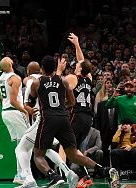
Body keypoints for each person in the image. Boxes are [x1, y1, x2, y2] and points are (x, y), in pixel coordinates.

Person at [29, 55, 119, 188]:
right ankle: (104, 170)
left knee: (38, 154)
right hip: (65, 119)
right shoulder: (64, 81)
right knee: (73, 153)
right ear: (55, 67)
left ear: (42, 69)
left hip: (48, 119)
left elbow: (32, 99)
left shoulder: (36, 82)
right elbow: (72, 102)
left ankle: (54, 176)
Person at [15, 61, 78, 188]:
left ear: (28, 72)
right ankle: (68, 172)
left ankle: (30, 179)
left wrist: (30, 110)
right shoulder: (53, 79)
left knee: (21, 149)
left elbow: (27, 104)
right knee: (46, 150)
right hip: (55, 117)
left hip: (42, 120)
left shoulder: (32, 81)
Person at [0, 56, 29, 182]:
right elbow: (13, 100)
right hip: (15, 112)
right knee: (27, 143)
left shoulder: (1, 78)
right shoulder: (15, 78)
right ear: (11, 64)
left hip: (5, 112)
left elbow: (2, 98)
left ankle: (19, 174)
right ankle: (23, 174)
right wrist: (25, 110)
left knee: (19, 144)